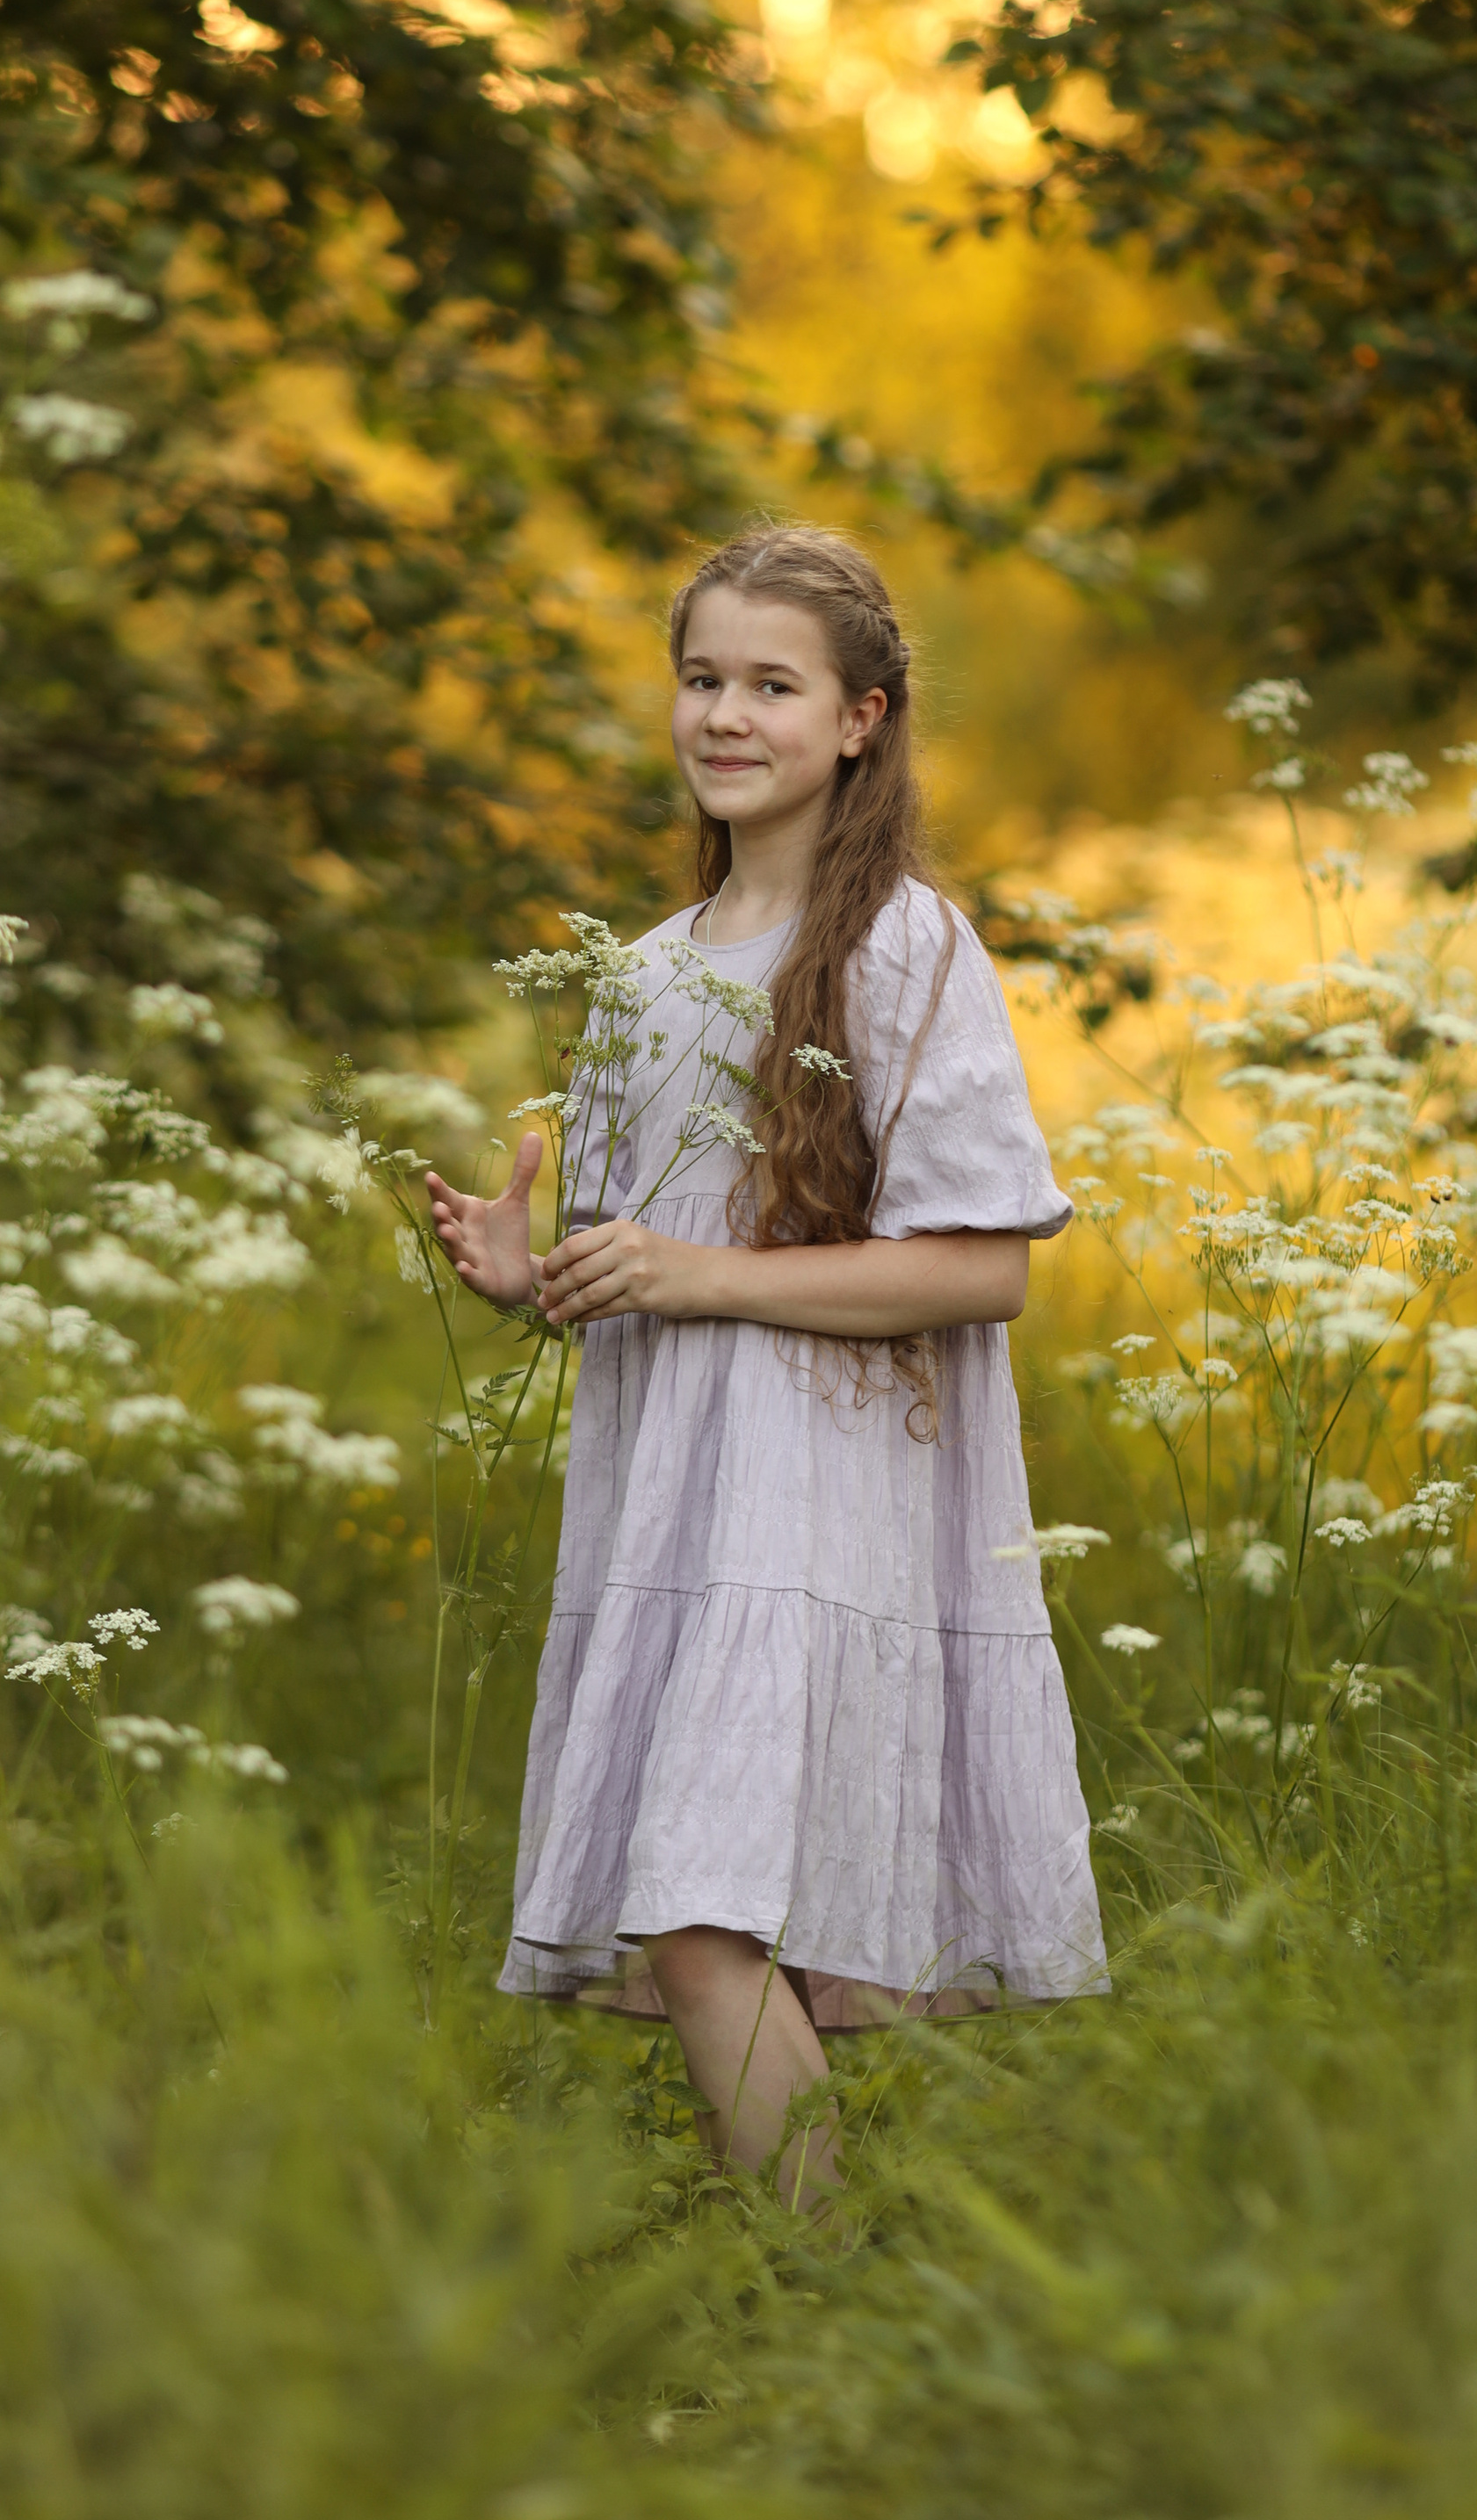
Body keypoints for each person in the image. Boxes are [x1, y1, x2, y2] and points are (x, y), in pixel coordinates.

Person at [425, 525, 1107, 2210]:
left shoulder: (906, 947)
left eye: (772, 686)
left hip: (826, 1516)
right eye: (702, 679)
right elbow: (644, 1272)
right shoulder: (642, 975)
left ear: (862, 720)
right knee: (717, 1922)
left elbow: (985, 1266)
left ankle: (830, 2284)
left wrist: (695, 1273)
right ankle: (847, 2286)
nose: (725, 716)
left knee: (698, 1920)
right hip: (680, 1513)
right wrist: (535, 1283)